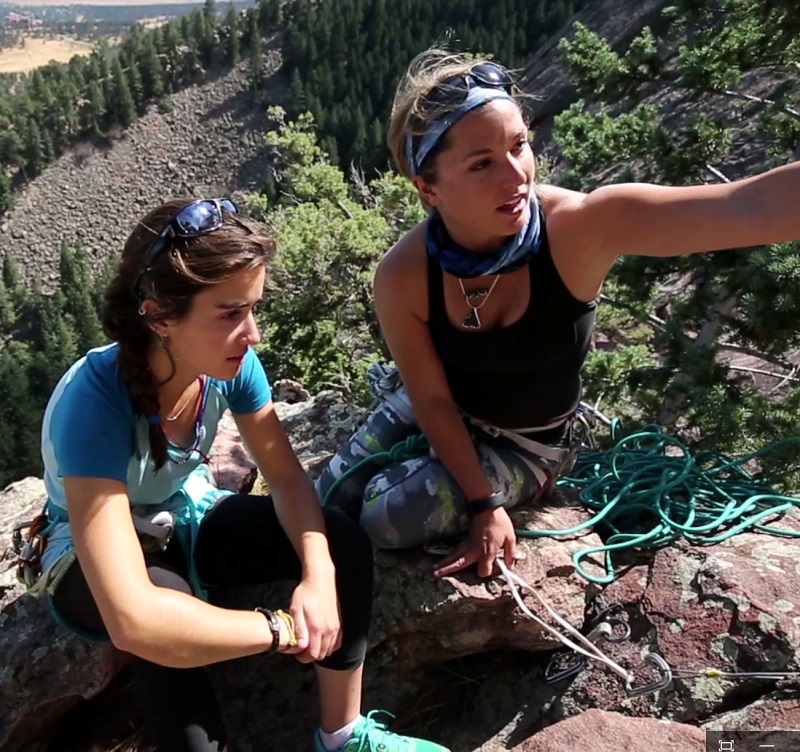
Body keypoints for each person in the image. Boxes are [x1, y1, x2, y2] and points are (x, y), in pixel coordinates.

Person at [316, 47, 800, 581]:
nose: (515, 175)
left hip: (528, 446)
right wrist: (481, 500)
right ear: (428, 188)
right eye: (481, 164)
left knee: (385, 515)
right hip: (445, 408)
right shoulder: (404, 274)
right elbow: (430, 398)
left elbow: (742, 207)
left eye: (519, 146)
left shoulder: (577, 231)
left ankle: (537, 483)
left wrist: (487, 507)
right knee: (328, 500)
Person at [34, 197, 449, 752]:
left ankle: (344, 734)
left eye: (253, 308)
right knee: (164, 619)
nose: (252, 334)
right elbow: (133, 614)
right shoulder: (94, 402)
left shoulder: (230, 365)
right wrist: (282, 628)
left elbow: (285, 479)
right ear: (159, 317)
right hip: (88, 546)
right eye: (230, 313)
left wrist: (319, 574)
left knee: (341, 539)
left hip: (179, 513)